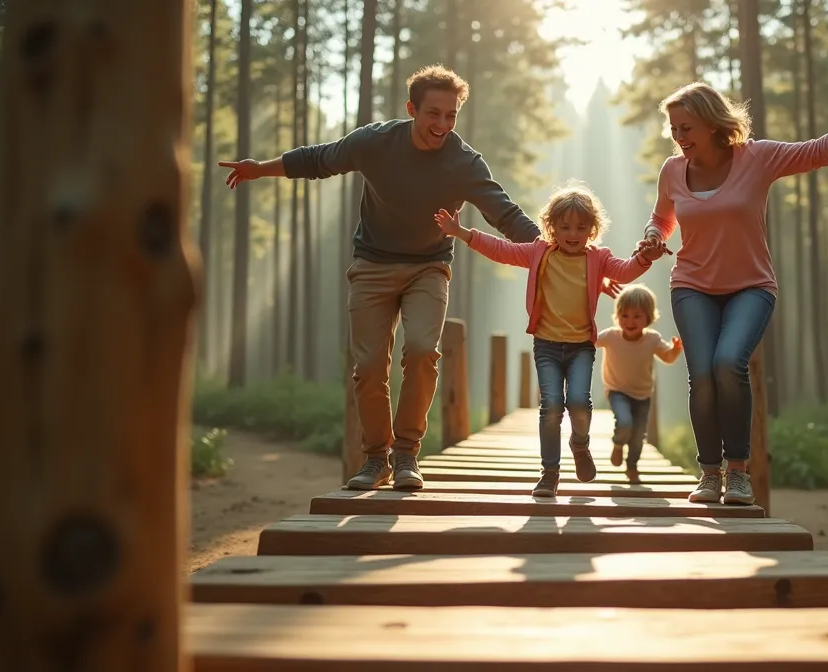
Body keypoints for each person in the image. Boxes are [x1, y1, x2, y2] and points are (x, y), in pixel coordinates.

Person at [219, 64, 623, 493]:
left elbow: (506, 216)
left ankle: (407, 453)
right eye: (433, 114)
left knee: (421, 351)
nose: (442, 125)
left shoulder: (463, 161)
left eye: (451, 115)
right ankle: (376, 459)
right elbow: (320, 159)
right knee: (369, 366)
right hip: (372, 264)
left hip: (428, 267)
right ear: (412, 109)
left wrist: (568, 261)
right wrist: (259, 169)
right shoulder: (374, 142)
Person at [636, 81, 828, 505]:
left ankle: (738, 472)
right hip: (692, 285)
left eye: (686, 128)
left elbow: (818, 150)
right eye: (674, 129)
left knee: (728, 363)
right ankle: (709, 474)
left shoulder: (755, 158)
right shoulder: (672, 171)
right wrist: (651, 236)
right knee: (702, 376)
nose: (679, 137)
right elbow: (662, 218)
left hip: (750, 286)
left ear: (710, 123)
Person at [434, 184, 655, 497]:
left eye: (581, 227)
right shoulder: (540, 252)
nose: (573, 233)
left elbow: (625, 271)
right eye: (564, 227)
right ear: (552, 227)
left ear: (592, 229)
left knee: (579, 403)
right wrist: (462, 232)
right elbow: (502, 250)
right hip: (547, 345)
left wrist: (645, 257)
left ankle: (580, 444)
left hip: (581, 347)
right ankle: (550, 472)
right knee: (551, 406)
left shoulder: (598, 258)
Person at [596, 284, 683, 484]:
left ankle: (632, 466)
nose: (630, 321)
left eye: (637, 316)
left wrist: (676, 349)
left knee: (638, 436)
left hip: (643, 394)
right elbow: (588, 341)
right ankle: (618, 444)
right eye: (624, 316)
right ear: (617, 316)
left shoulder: (652, 339)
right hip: (616, 390)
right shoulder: (610, 336)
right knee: (625, 423)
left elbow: (667, 357)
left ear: (648, 317)